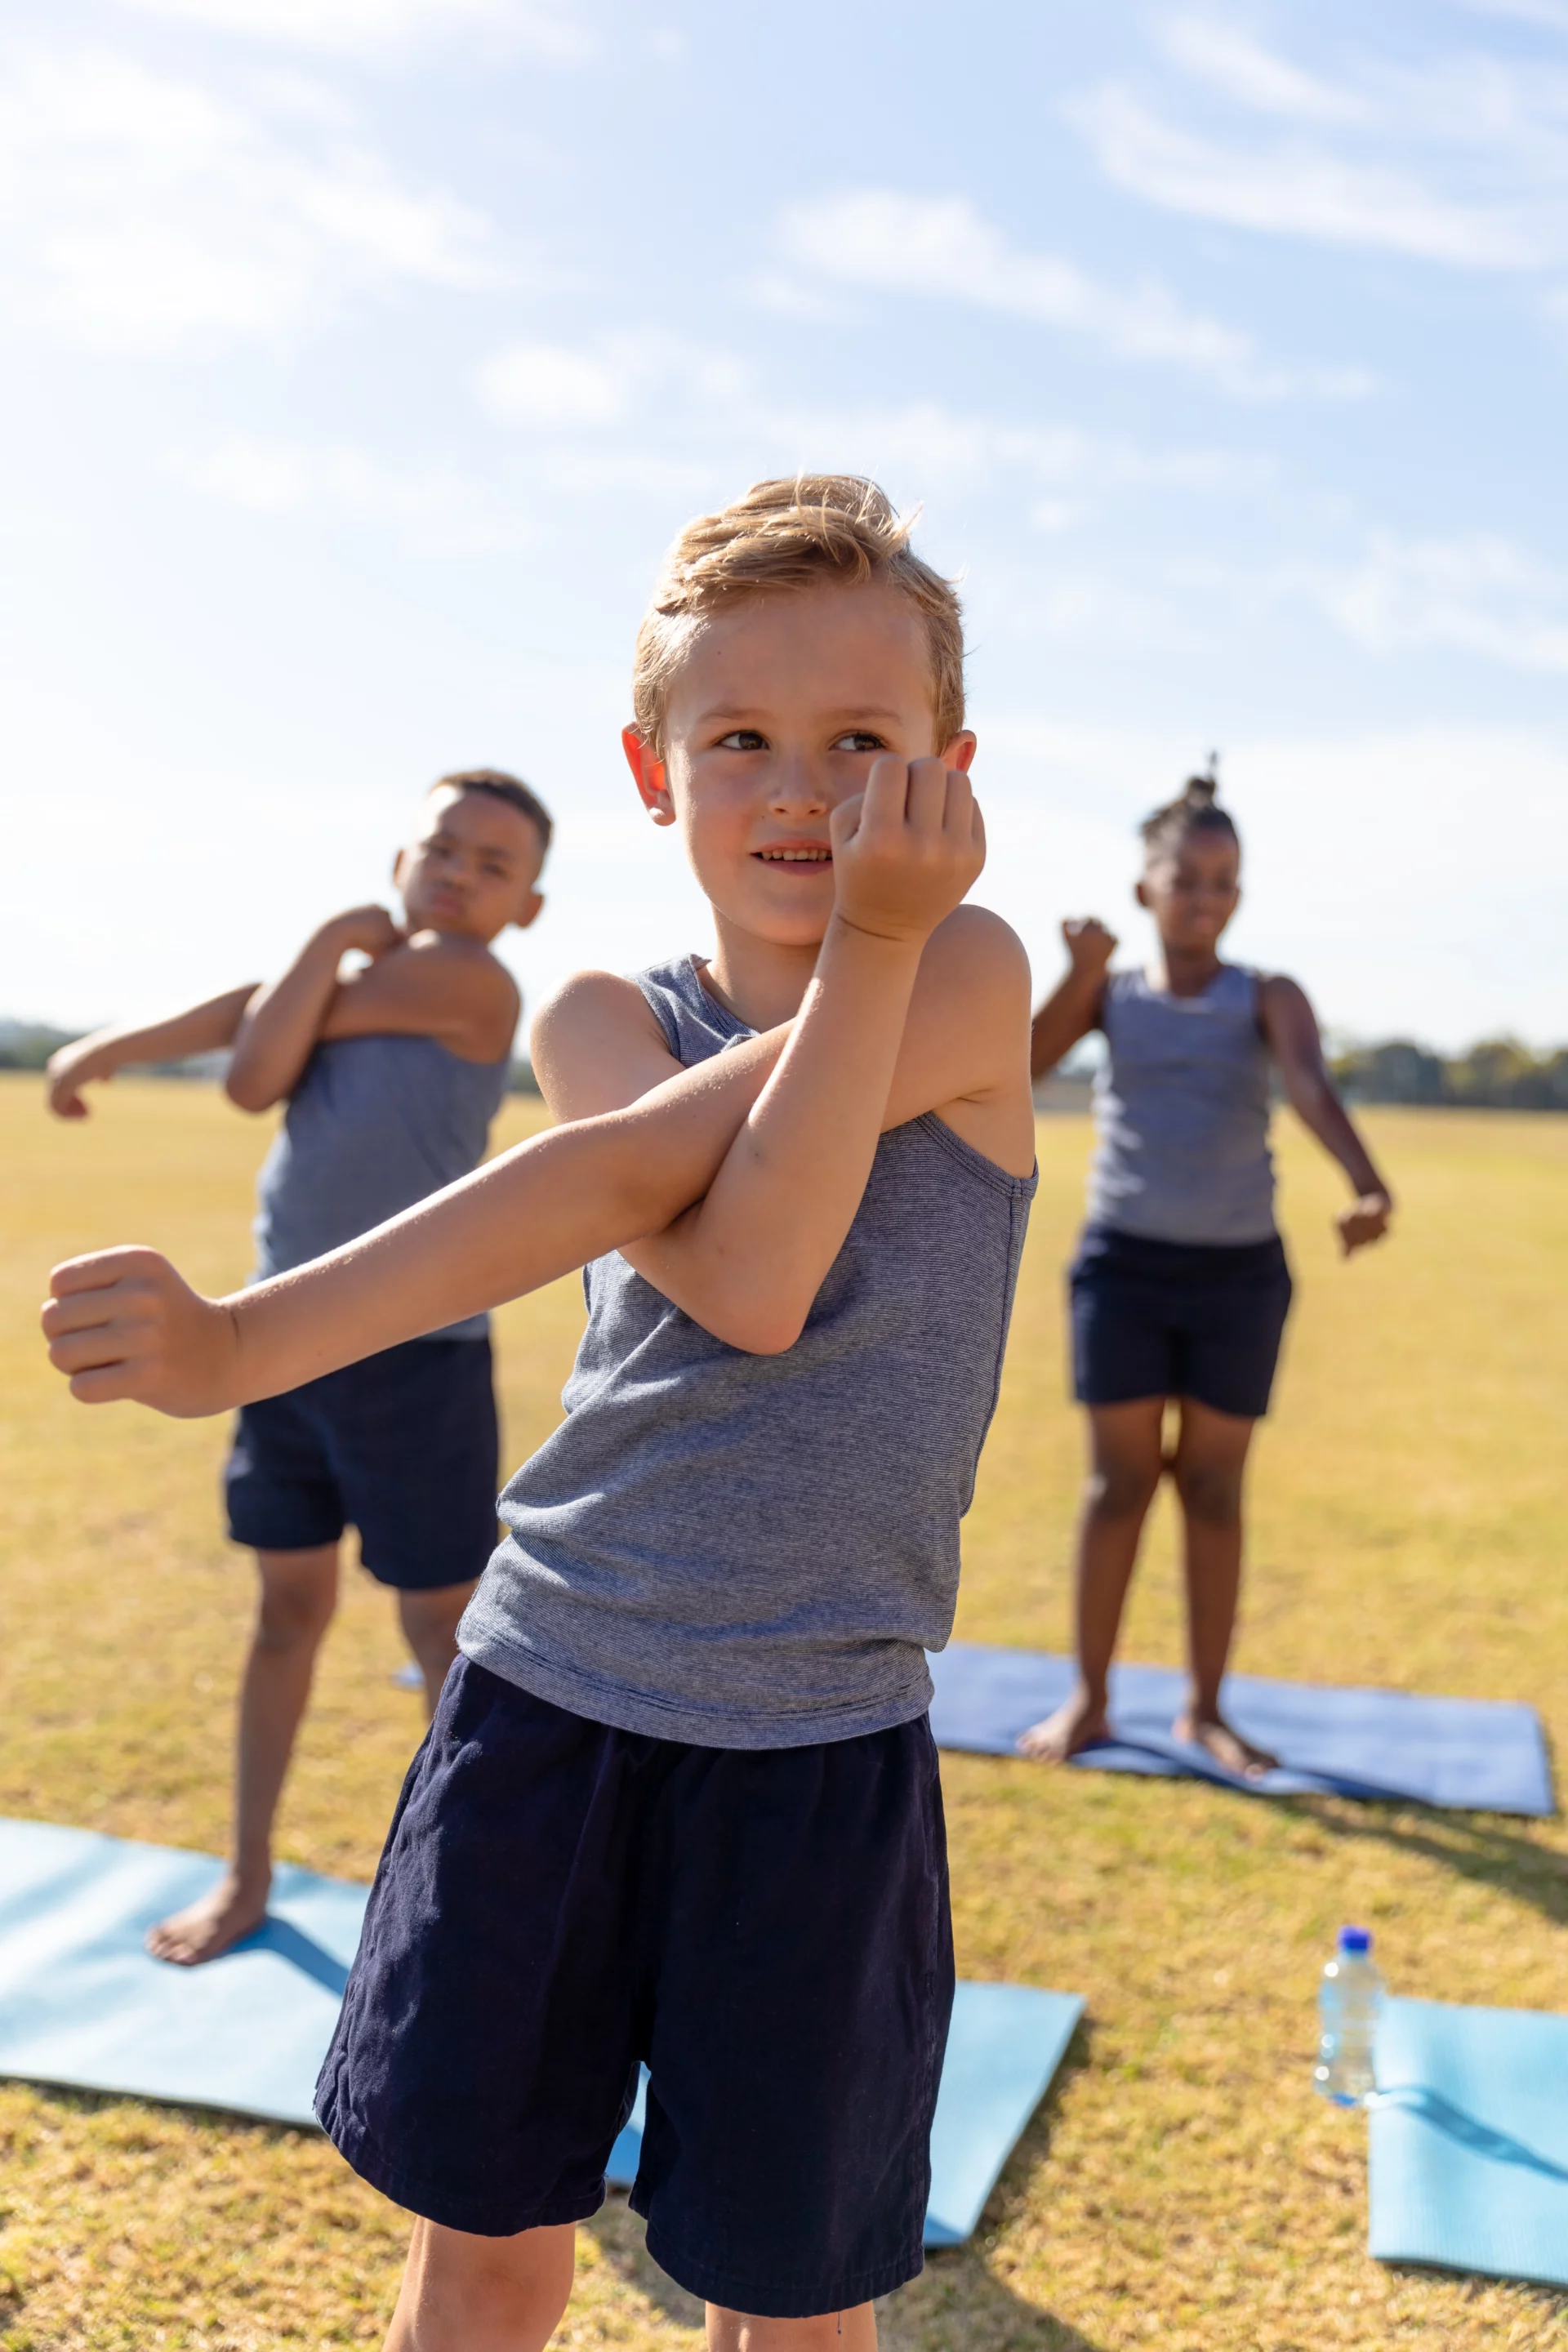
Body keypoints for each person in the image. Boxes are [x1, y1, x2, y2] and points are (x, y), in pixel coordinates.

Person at [41, 474, 1036, 2352]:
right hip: (551, 1701)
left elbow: (753, 1277)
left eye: (859, 741)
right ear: (653, 772)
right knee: (488, 2248)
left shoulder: (961, 971)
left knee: (786, 2292)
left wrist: (888, 944)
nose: (800, 788)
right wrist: (239, 1342)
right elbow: (634, 1197)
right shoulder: (598, 1008)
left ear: (949, 770)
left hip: (815, 1743)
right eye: (739, 737)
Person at [44, 768, 551, 1965]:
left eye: (495, 864)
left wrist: (327, 936)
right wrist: (110, 1045)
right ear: (400, 857)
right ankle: (249, 1871)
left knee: (440, 1627)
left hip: (414, 1358)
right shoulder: (348, 986)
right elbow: (266, 1012)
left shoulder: (474, 983)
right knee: (287, 1612)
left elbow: (253, 1065)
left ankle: (467, 1901)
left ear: (529, 904)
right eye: (442, 848)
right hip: (274, 1345)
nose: (461, 873)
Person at [1020, 768, 1393, 1780]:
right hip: (1124, 1266)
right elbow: (1024, 1068)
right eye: (1186, 879)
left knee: (1217, 1491)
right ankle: (1091, 1699)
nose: (1205, 898)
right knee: (1118, 1483)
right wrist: (1077, 969)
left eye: (1224, 882)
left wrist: (1366, 1183)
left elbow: (1309, 1085)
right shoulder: (1113, 992)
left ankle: (1207, 1710)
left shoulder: (1266, 996)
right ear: (1146, 886)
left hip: (1238, 1275)